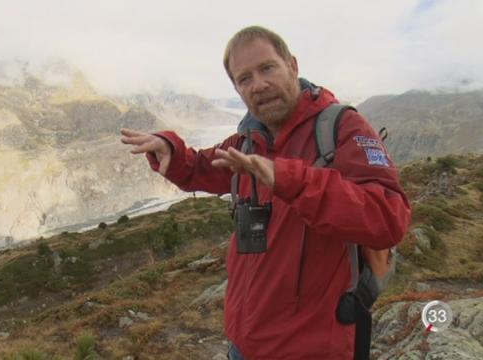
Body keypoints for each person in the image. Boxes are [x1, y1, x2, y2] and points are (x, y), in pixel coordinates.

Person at [120, 26, 411, 359]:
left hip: (310, 349)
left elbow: (389, 218)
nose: (258, 84)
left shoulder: (342, 128)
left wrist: (291, 180)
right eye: (244, 79)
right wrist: (170, 150)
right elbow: (201, 167)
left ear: (293, 66)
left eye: (267, 68)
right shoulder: (248, 140)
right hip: (244, 343)